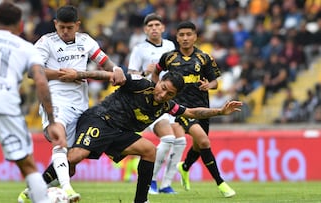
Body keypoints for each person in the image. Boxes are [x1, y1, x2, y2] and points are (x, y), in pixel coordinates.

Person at [41, 70, 243, 203]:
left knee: (149, 151)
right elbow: (112, 74)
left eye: (170, 94)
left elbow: (191, 112)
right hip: (100, 120)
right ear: (160, 81)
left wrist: (220, 112)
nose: (163, 95)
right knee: (74, 159)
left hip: (120, 133)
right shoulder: (142, 84)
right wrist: (79, 73)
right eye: (163, 88)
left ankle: (141, 200)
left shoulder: (166, 106)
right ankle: (36, 188)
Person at [16, 5, 126, 203]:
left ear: (77, 25)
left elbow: (105, 61)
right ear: (55, 24)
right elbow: (33, 72)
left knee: (72, 161)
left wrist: (116, 68)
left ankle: (31, 192)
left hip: (81, 106)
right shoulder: (46, 42)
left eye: (69, 27)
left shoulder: (85, 41)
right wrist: (61, 75)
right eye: (61, 27)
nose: (65, 31)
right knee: (59, 142)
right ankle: (66, 190)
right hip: (55, 101)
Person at [0, 2, 63, 203]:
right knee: (27, 164)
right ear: (21, 25)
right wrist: (52, 121)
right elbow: (41, 81)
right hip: (5, 106)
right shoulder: (25, 47)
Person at [152, 21, 236, 198]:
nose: (185, 38)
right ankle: (221, 183)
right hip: (180, 108)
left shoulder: (204, 58)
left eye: (188, 34)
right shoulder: (169, 57)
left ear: (195, 37)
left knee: (199, 145)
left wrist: (209, 85)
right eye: (181, 35)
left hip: (202, 108)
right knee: (204, 141)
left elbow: (215, 81)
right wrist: (156, 90)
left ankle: (184, 167)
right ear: (177, 37)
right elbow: (155, 72)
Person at [128, 13, 182, 194]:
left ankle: (166, 184)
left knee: (180, 140)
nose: (154, 28)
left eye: (157, 24)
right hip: (149, 101)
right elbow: (131, 76)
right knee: (168, 138)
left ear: (163, 27)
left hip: (168, 99)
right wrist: (145, 72)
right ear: (145, 29)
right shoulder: (139, 49)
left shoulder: (170, 46)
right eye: (150, 25)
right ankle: (149, 180)